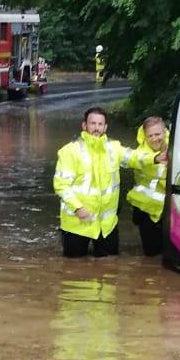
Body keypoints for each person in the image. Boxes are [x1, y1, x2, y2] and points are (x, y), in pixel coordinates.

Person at [53, 107, 163, 258]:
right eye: (93, 123)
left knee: (110, 265)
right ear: (84, 125)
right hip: (77, 224)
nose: (96, 128)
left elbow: (134, 157)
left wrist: (155, 158)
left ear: (105, 127)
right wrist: (77, 207)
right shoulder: (69, 151)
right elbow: (61, 185)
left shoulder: (114, 148)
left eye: (100, 124)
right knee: (73, 267)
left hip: (106, 225)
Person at [126, 115, 168, 256]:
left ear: (165, 132)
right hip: (146, 210)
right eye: (150, 136)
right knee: (152, 255)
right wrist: (157, 158)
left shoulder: (175, 147)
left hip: (168, 210)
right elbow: (137, 159)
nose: (154, 139)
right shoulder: (141, 153)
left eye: (157, 134)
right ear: (145, 136)